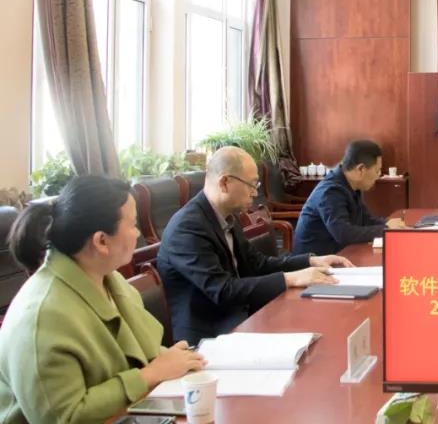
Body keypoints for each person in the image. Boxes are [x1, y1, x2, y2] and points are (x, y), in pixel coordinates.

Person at [0, 176, 205, 423]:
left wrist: (173, 359)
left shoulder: (107, 277)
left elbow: (140, 351)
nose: (138, 232)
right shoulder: (42, 317)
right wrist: (150, 374)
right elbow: (64, 416)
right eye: (133, 224)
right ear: (101, 241)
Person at [157, 146, 352, 344]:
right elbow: (222, 290)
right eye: (251, 184)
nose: (255, 192)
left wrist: (310, 261)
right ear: (224, 182)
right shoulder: (188, 228)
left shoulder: (227, 216)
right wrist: (291, 279)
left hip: (241, 318)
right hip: (209, 336)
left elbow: (257, 264)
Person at [292, 140, 407, 256]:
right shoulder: (331, 191)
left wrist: (388, 223)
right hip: (313, 261)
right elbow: (343, 234)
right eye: (377, 171)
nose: (378, 175)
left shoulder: (350, 185)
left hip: (337, 254)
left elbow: (365, 219)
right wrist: (385, 228)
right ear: (361, 169)